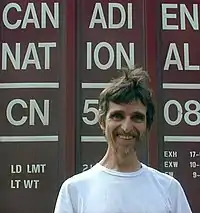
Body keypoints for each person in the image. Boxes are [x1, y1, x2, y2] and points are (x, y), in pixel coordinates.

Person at [54, 67, 192, 213]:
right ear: (102, 121)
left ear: (147, 125)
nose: (126, 127)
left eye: (137, 117)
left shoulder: (170, 190)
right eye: (117, 116)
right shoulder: (74, 191)